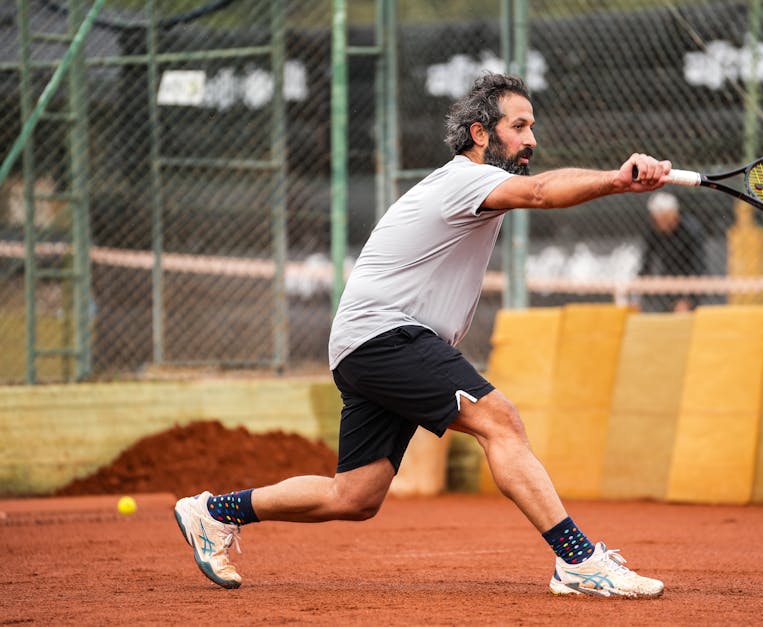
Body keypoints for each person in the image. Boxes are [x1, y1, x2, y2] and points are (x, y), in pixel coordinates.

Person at [174, 73, 671, 598]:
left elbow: (538, 187)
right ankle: (579, 561)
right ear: (481, 133)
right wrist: (617, 180)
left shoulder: (472, 186)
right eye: (519, 126)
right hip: (386, 334)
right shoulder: (464, 180)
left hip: (363, 344)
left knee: (355, 496)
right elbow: (544, 191)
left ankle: (213, 513)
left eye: (532, 127)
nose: (532, 140)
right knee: (500, 421)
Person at [638, 191, 705, 312]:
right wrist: (642, 286)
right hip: (666, 276)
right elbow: (646, 261)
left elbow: (698, 265)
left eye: (664, 218)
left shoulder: (690, 229)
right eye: (657, 218)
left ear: (674, 215)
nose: (660, 223)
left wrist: (688, 299)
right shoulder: (653, 230)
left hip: (688, 276)